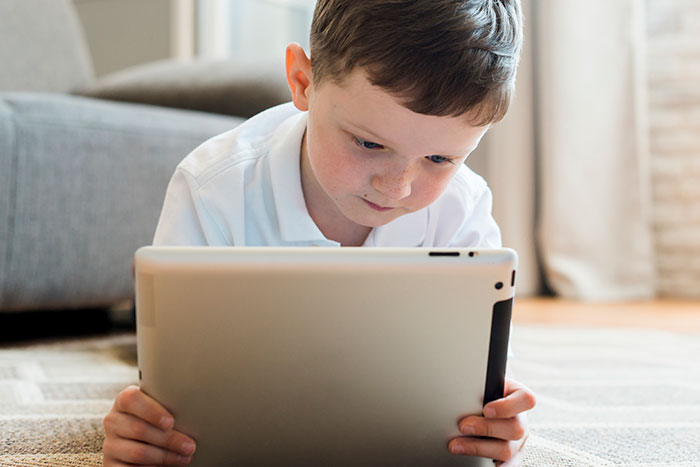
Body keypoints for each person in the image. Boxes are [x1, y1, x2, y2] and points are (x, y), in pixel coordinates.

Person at [103, 0, 536, 465]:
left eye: (440, 160)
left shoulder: (462, 206)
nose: (397, 186)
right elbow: (170, 381)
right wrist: (146, 429)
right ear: (303, 82)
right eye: (369, 143)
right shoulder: (213, 189)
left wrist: (497, 422)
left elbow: (475, 381)